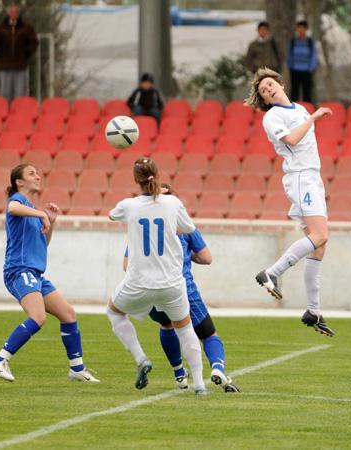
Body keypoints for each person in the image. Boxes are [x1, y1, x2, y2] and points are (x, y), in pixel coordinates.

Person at [0, 164, 99, 383]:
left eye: (37, 173)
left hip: (35, 274)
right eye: (31, 174)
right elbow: (12, 208)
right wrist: (41, 214)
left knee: (68, 315)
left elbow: (43, 244)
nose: (38, 176)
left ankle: (77, 369)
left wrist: (51, 221)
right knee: (38, 318)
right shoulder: (18, 201)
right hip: (19, 270)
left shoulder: (31, 209)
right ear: (19, 182)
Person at [123, 183, 240, 393]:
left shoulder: (141, 227)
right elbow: (206, 258)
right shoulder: (183, 225)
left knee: (167, 326)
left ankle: (179, 374)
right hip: (180, 287)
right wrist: (187, 256)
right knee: (207, 333)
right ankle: (217, 368)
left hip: (150, 288)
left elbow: (126, 265)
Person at [246, 67, 334, 337]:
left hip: (311, 176)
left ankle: (313, 311)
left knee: (319, 246)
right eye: (264, 91)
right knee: (320, 235)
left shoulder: (299, 109)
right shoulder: (272, 117)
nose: (268, 89)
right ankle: (272, 272)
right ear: (265, 100)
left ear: (280, 84)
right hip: (300, 178)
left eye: (270, 84)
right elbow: (293, 140)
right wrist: (315, 117)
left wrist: (310, 115)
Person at [107, 158, 207, 395]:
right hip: (171, 282)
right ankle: (200, 384)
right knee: (185, 329)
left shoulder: (128, 205)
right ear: (157, 176)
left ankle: (141, 358)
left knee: (114, 312)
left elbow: (112, 215)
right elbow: (188, 228)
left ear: (135, 180)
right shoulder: (172, 202)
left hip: (138, 282)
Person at [0, 2, 38, 104]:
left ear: (18, 13)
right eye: (11, 12)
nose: (13, 14)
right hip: (5, 66)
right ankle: (7, 113)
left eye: (15, 12)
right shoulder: (0, 28)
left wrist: (26, 54)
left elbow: (34, 43)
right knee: (5, 94)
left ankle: (19, 113)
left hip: (20, 66)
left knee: (20, 95)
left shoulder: (27, 28)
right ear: (8, 13)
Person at [286, 20, 317, 103]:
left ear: (306, 29)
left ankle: (308, 108)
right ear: (296, 29)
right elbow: (289, 55)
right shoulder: (293, 41)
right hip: (295, 70)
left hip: (307, 70)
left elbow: (313, 55)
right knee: (294, 92)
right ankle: (293, 107)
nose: (301, 30)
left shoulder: (310, 42)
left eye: (303, 28)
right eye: (299, 28)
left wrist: (311, 67)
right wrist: (290, 66)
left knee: (307, 92)